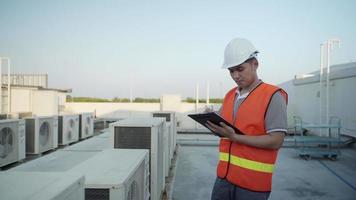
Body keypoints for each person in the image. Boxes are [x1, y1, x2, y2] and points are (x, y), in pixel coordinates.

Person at [206, 38, 288, 200]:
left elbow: (276, 141)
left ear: (255, 64)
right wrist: (210, 122)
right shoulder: (230, 95)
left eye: (240, 69)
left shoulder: (273, 95)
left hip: (252, 185)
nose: (235, 75)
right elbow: (224, 130)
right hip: (223, 179)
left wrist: (234, 137)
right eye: (231, 71)